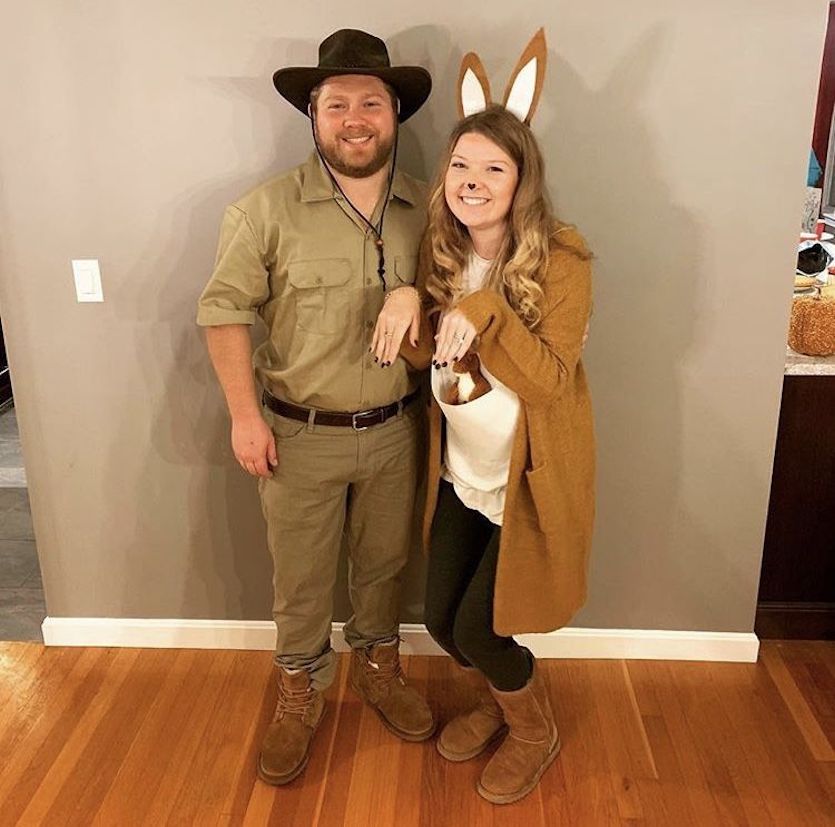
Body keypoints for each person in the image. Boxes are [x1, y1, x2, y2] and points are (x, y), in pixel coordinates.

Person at [196, 29, 436, 786]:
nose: (355, 117)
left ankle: (379, 666)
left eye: (372, 102)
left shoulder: (427, 210)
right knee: (299, 578)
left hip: (398, 430)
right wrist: (243, 416)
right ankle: (298, 688)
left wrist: (414, 290)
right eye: (338, 104)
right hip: (299, 435)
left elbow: (470, 292)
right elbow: (224, 311)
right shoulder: (263, 210)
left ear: (395, 114)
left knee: (385, 566)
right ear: (313, 113)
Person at [384, 103, 595, 804]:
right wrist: (407, 297)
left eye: (492, 168)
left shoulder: (561, 257)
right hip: (459, 472)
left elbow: (548, 381)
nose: (471, 180)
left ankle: (533, 728)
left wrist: (487, 311)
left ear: (522, 179)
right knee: (443, 618)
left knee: (481, 624)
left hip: (523, 481)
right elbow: (425, 359)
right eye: (460, 165)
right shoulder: (443, 247)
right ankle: (501, 698)